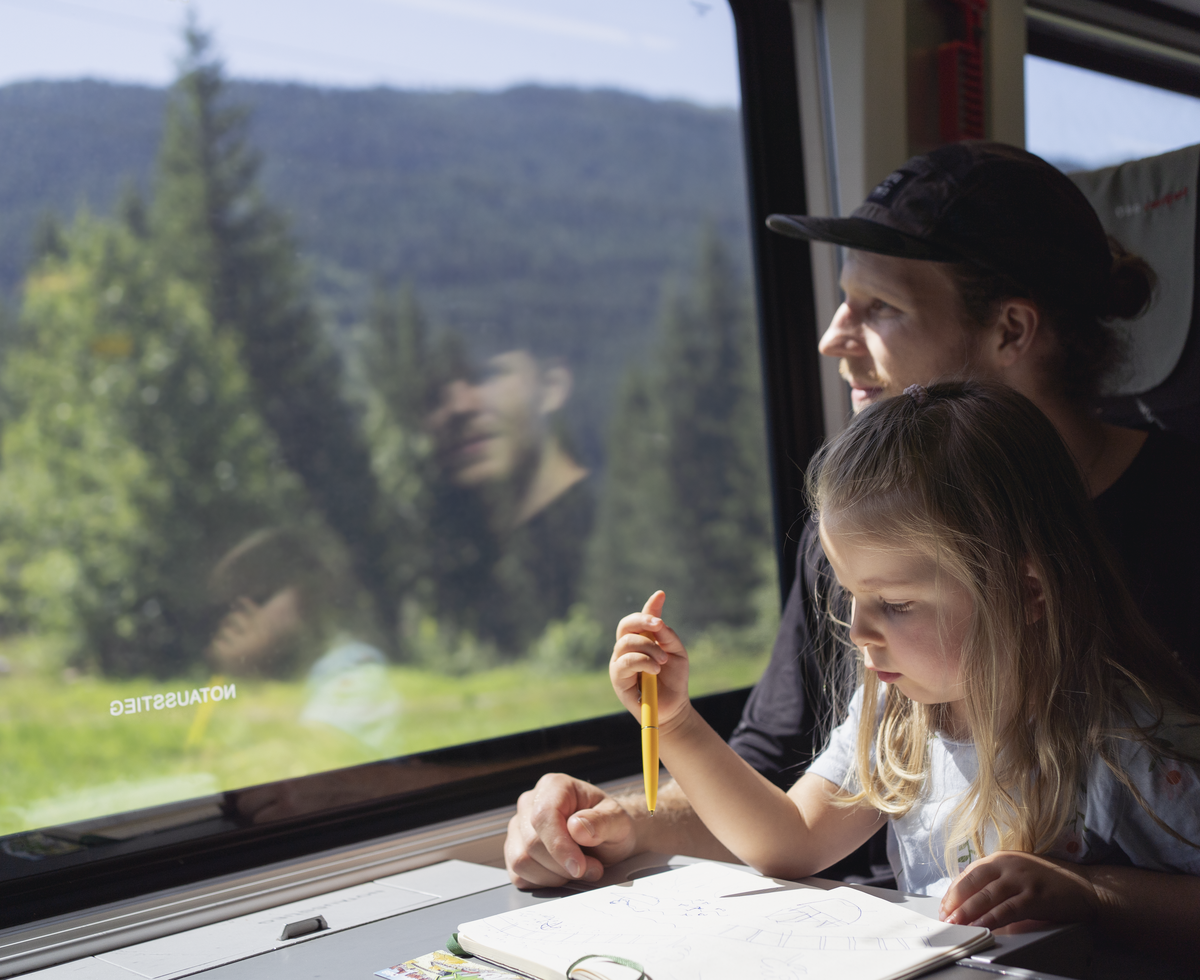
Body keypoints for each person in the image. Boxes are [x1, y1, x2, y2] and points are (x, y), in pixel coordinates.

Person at [504, 141, 1200, 888]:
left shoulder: (1129, 702)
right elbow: (778, 790)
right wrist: (618, 825)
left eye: (882, 309)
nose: (831, 337)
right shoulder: (864, 572)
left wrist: (1104, 900)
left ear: (1010, 332)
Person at [611, 382, 1200, 961]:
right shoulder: (900, 717)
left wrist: (1092, 894)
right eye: (851, 599)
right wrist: (677, 722)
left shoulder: (1126, 743)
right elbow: (789, 842)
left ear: (1025, 593)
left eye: (895, 604)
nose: (859, 633)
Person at [423, 342, 594, 655]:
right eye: (435, 394)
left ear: (552, 386)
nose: (458, 406)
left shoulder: (618, 526)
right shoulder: (457, 553)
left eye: (486, 374)